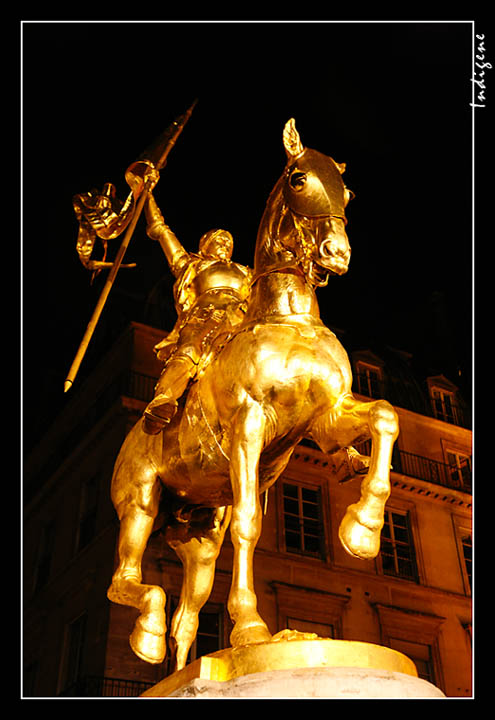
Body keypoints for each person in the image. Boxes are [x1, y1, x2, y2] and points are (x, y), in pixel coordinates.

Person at [142, 191, 253, 434]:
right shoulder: (192, 265)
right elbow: (161, 230)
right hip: (206, 315)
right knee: (190, 348)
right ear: (205, 246)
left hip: (242, 318)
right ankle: (164, 398)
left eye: (228, 242)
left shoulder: (246, 272)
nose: (224, 244)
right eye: (218, 240)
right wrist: (147, 195)